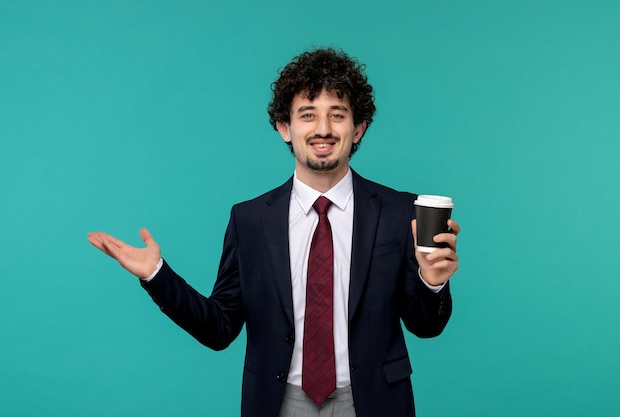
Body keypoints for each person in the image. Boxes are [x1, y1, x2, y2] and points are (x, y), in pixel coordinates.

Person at [88, 47, 460, 417]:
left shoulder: (400, 213)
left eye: (337, 115)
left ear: (358, 126)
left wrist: (433, 284)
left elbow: (425, 326)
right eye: (308, 115)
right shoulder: (249, 220)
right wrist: (157, 275)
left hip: (375, 401)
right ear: (285, 127)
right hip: (279, 402)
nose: (323, 130)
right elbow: (220, 328)